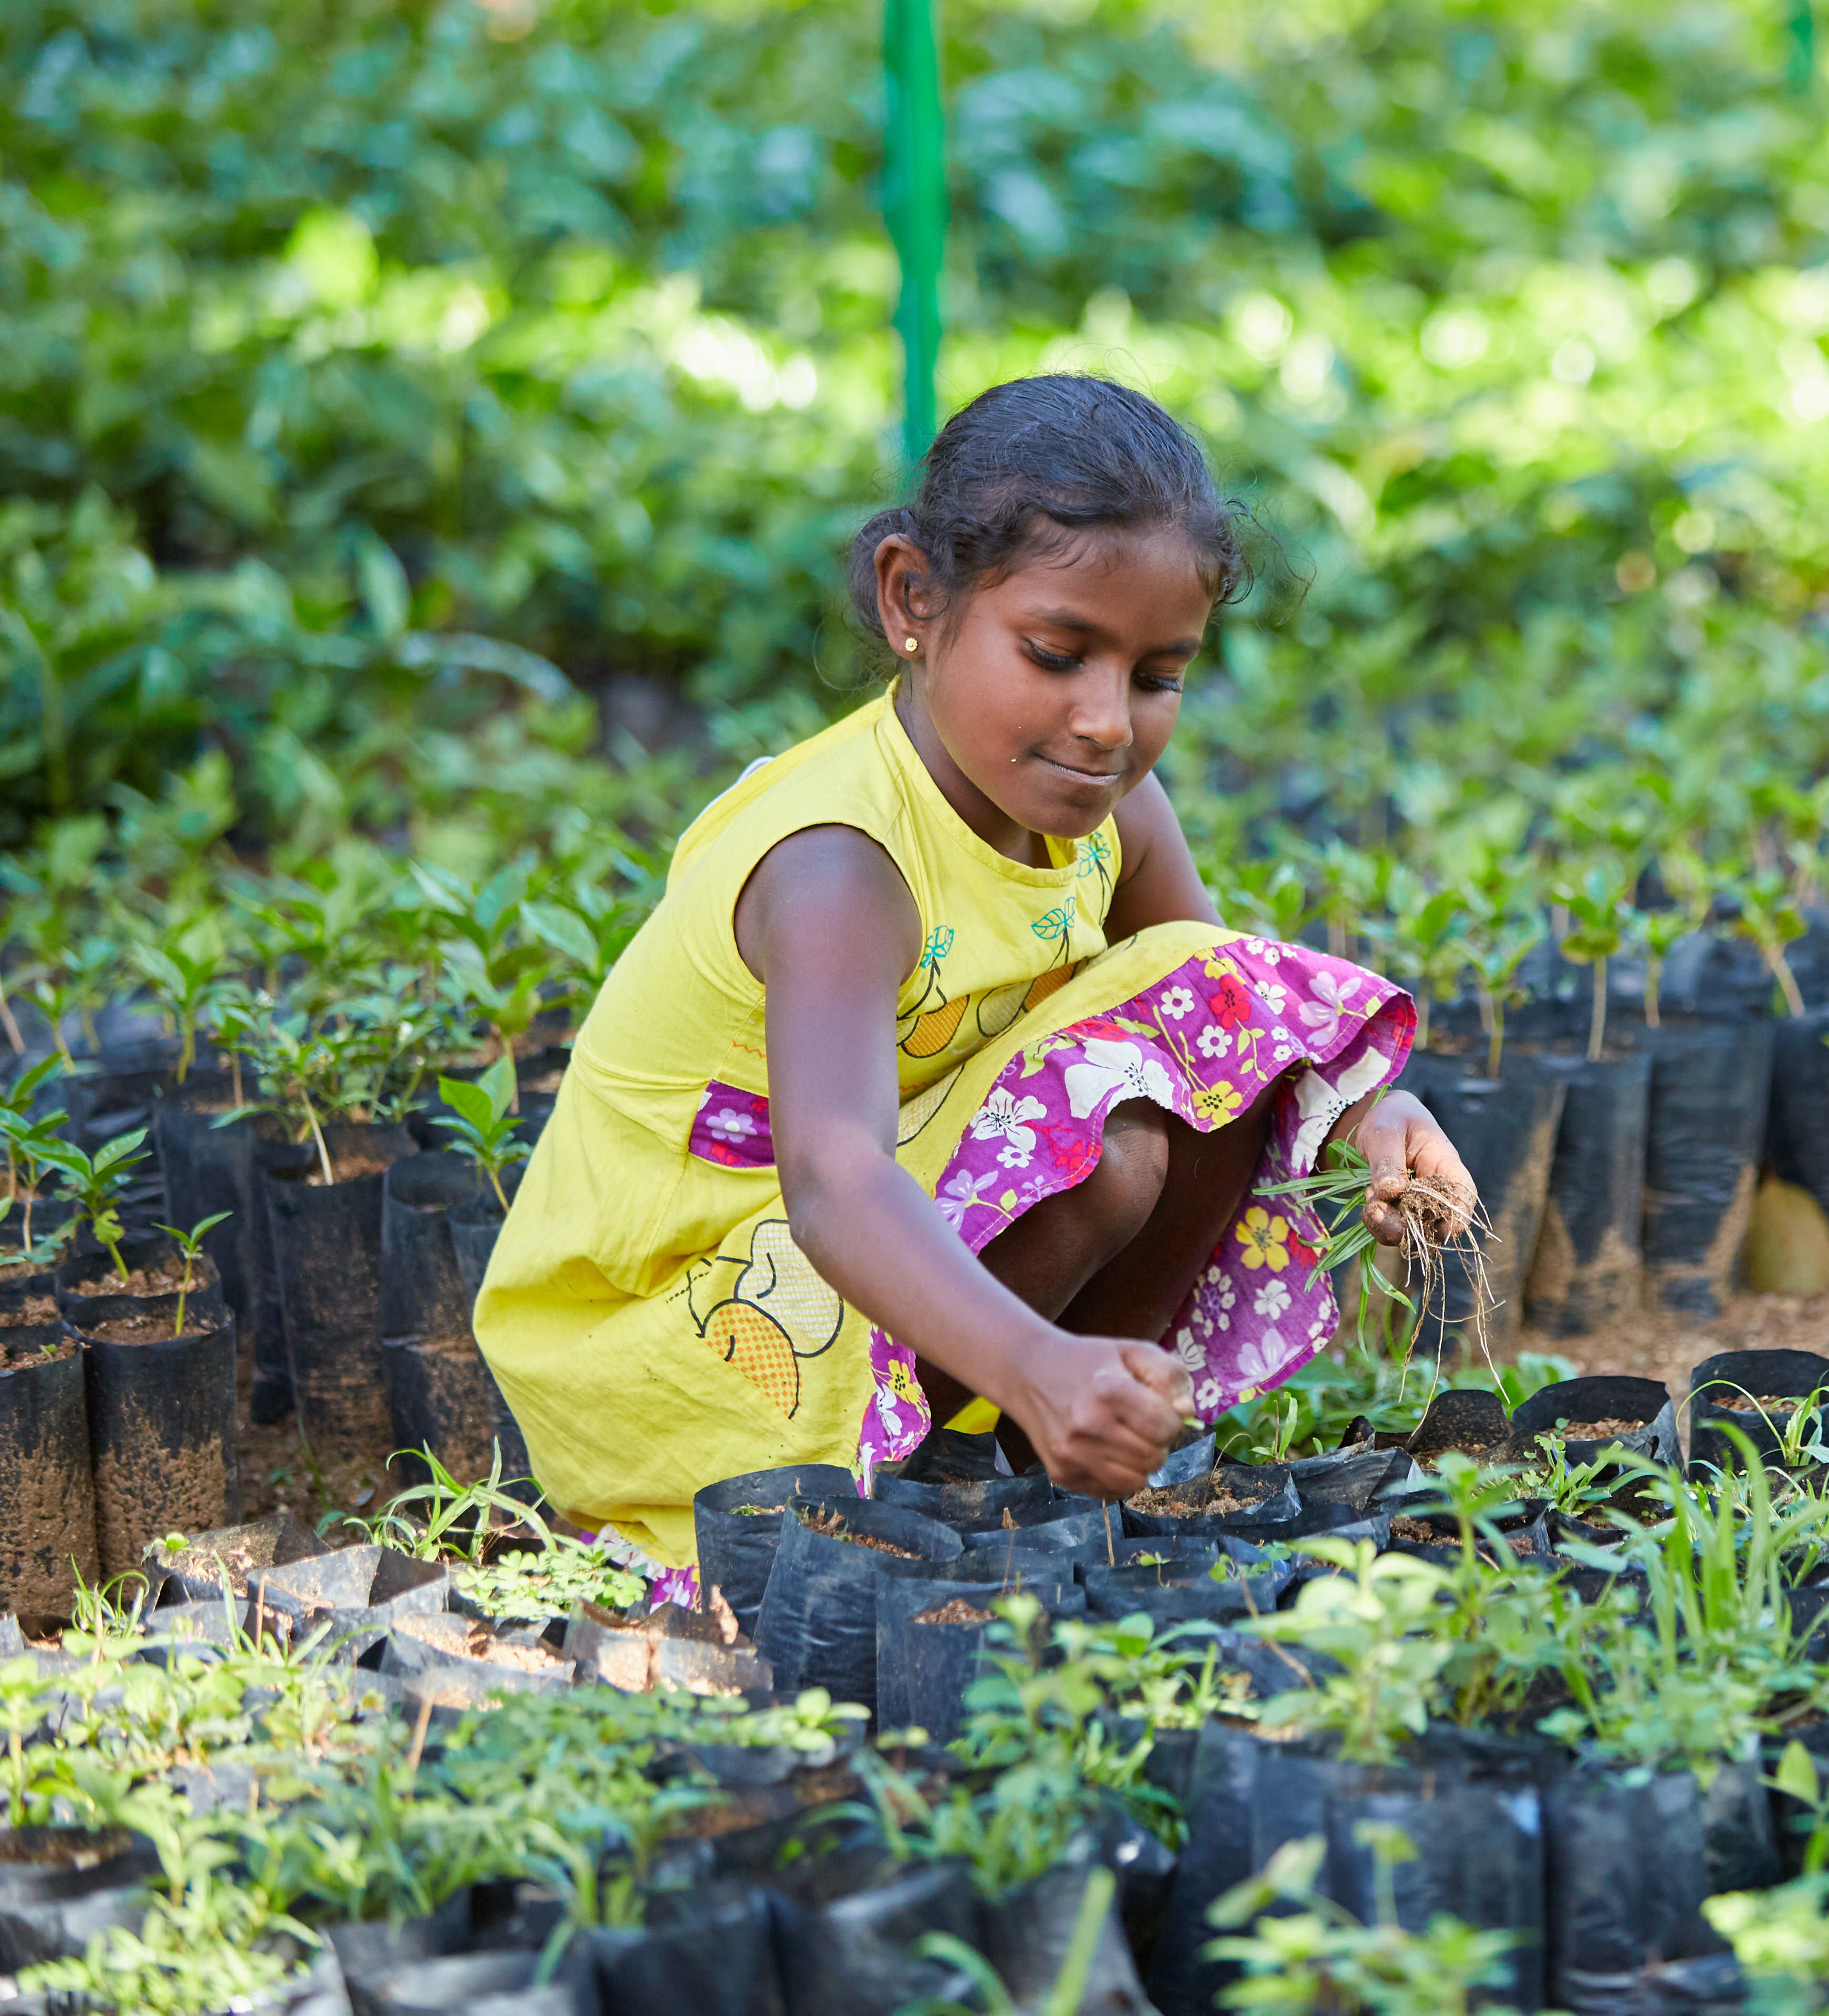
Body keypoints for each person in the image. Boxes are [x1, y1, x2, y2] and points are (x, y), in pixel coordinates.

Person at [473, 375, 1476, 1584]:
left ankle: (1051, 1464)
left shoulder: (1113, 813)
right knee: (1104, 1151)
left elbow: (1234, 1022)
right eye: (1058, 654)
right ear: (913, 601)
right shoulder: (842, 866)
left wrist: (1373, 1114)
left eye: (1158, 677)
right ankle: (971, 1457)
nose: (1108, 721)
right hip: (681, 1343)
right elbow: (835, 1181)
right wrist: (1027, 1361)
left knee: (1197, 1014)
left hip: (877, 1273)